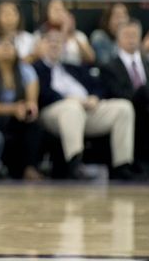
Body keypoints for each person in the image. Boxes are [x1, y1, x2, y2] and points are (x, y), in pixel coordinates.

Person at [33, 29, 136, 181]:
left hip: (86, 110)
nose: (54, 45)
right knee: (72, 108)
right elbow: (43, 94)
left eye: (58, 42)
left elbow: (98, 85)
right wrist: (71, 99)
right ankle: (75, 164)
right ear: (40, 45)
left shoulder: (72, 67)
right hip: (55, 112)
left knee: (124, 107)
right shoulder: (36, 69)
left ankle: (122, 165)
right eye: (50, 41)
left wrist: (95, 97)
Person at [0, 36, 43, 180]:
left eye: (9, 46)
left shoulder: (26, 70)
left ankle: (30, 167)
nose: (6, 49)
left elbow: (32, 101)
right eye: (2, 46)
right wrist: (12, 109)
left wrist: (28, 110)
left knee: (35, 125)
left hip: (20, 114)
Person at [100, 21, 149, 169]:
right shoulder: (109, 66)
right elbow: (115, 93)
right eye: (127, 35)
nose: (131, 39)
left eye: (134, 35)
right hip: (130, 109)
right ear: (118, 39)